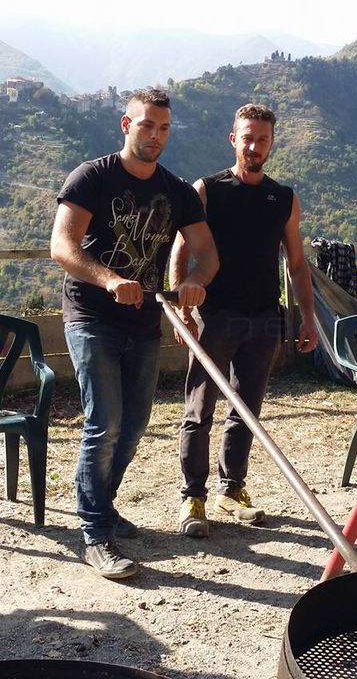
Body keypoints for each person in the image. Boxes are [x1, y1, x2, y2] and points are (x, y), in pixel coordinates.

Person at [51, 88, 219, 578]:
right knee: (104, 424)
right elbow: (62, 245)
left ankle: (101, 505)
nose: (156, 136)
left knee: (133, 427)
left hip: (144, 324)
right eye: (147, 125)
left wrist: (193, 282)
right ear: (127, 125)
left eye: (164, 128)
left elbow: (207, 253)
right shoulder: (92, 177)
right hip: (91, 318)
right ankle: (96, 534)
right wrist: (109, 279)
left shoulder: (177, 191)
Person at [169, 103, 319, 538]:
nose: (254, 147)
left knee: (247, 410)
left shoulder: (284, 198)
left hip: (264, 318)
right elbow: (181, 251)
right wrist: (182, 309)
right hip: (214, 315)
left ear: (272, 144)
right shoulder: (207, 190)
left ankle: (231, 489)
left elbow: (296, 264)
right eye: (247, 138)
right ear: (233, 139)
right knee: (199, 410)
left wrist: (308, 317)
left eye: (262, 140)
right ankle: (192, 497)